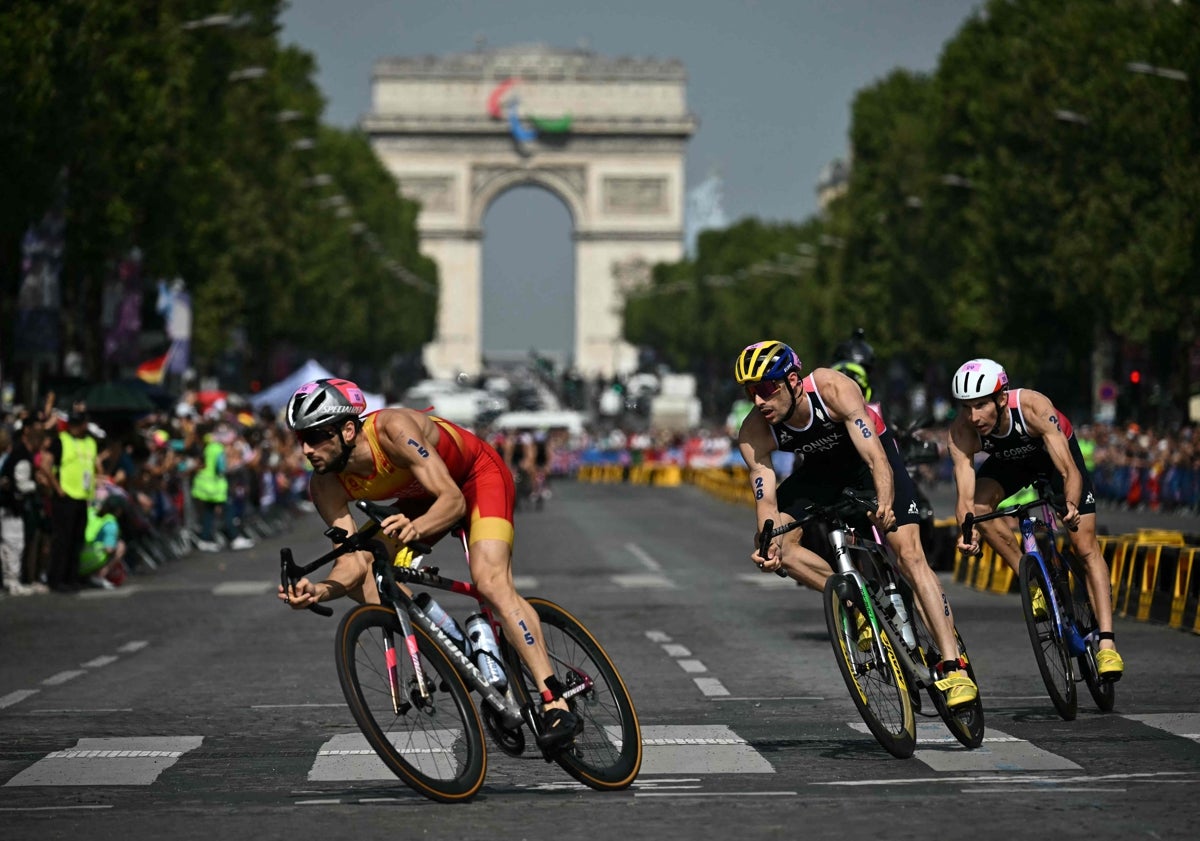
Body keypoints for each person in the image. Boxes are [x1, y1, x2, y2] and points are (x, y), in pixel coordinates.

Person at [277, 378, 583, 751]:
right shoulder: (325, 486)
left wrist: (416, 527)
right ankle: (450, 638)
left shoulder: (392, 430)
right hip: (419, 502)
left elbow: (452, 502)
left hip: (473, 480)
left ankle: (556, 702)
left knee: (489, 582)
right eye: (300, 439)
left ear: (346, 429)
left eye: (314, 436)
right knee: (369, 574)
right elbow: (352, 563)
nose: (306, 449)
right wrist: (320, 590)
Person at [734, 340, 977, 707]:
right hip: (820, 474)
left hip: (869, 465)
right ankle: (854, 603)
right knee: (777, 546)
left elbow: (876, 457)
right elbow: (765, 499)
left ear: (794, 381)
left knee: (908, 556)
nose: (758, 401)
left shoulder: (833, 388)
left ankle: (953, 665)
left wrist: (884, 502)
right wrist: (768, 541)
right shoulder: (754, 431)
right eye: (751, 392)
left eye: (766, 388)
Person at [946, 358, 1123, 679]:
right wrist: (966, 532)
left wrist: (1069, 504)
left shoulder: (1032, 407)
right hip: (1011, 464)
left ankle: (1107, 645)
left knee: (1084, 546)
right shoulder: (962, 430)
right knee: (981, 508)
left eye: (981, 405)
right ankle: (1031, 581)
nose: (974, 416)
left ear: (1001, 398)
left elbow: (1068, 469)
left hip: (1054, 459)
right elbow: (965, 496)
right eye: (967, 407)